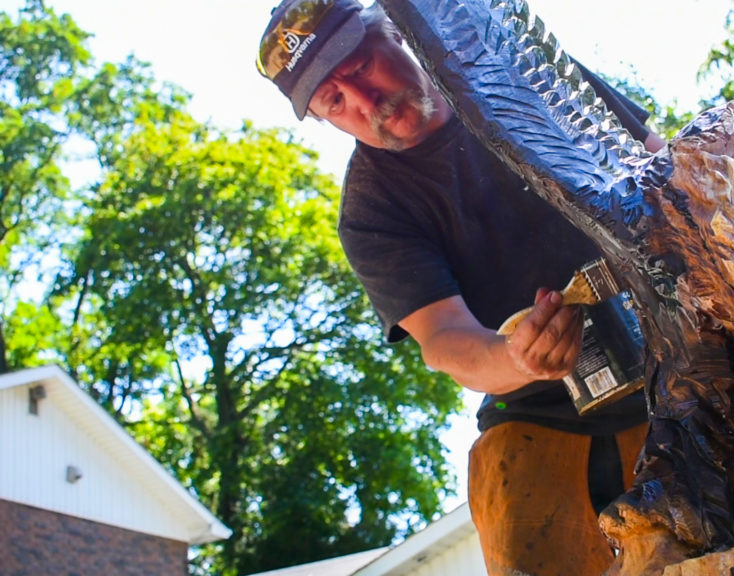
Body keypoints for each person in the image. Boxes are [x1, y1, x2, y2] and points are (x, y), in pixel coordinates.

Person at [256, 1, 666, 574]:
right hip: (537, 417)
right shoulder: (373, 211)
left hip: (677, 366)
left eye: (361, 65)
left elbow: (664, 171)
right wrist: (519, 357)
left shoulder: (515, 71)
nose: (367, 102)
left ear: (399, 29)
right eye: (335, 101)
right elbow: (446, 339)